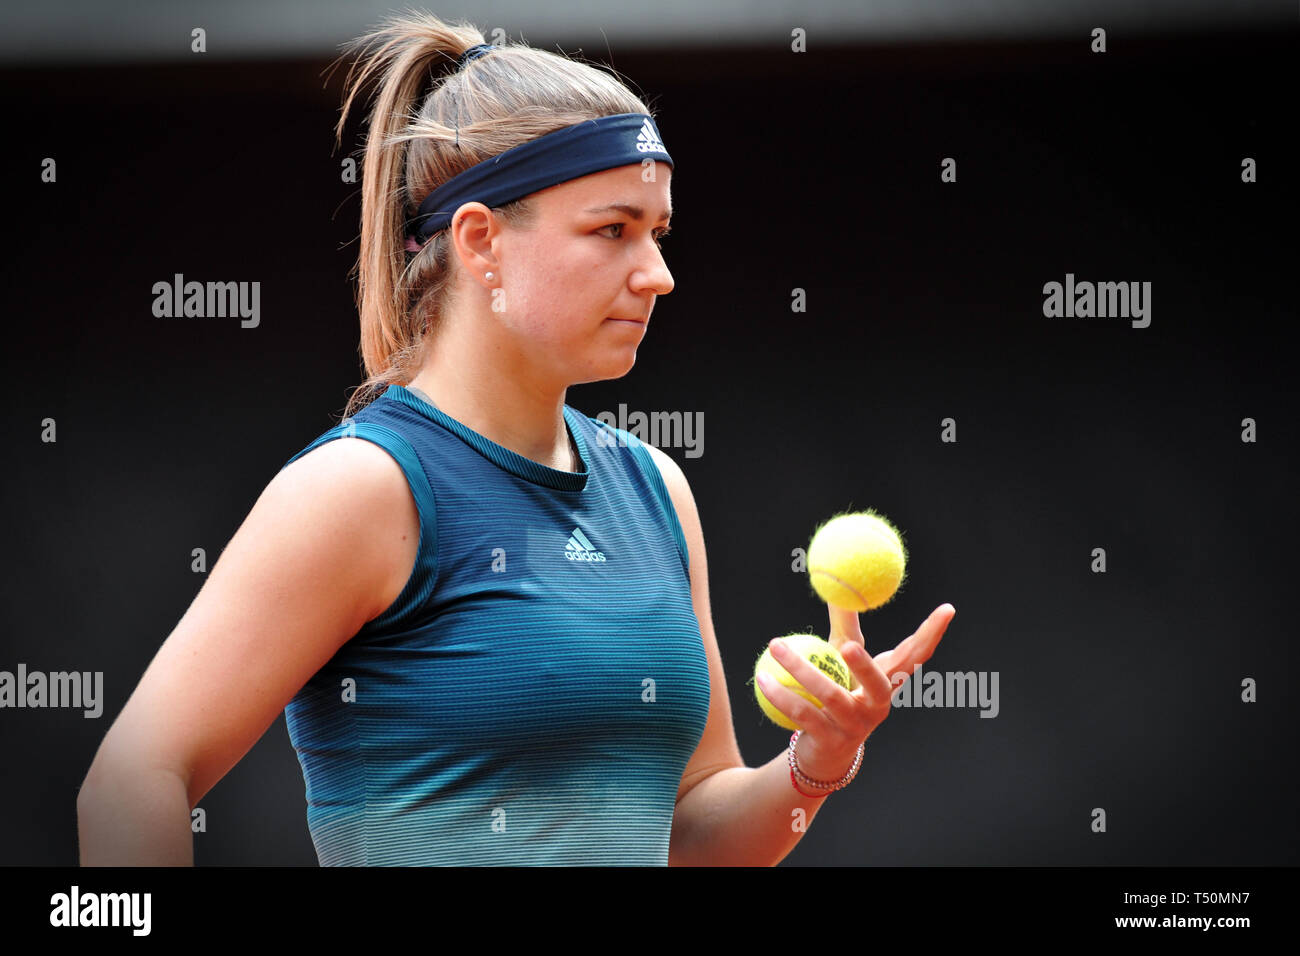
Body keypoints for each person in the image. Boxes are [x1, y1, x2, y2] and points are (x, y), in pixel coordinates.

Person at [76, 11, 955, 866]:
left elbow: (693, 838)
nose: (659, 273)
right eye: (612, 230)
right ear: (481, 241)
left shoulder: (655, 487)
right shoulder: (362, 489)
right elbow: (133, 780)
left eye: (657, 233)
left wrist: (818, 763)